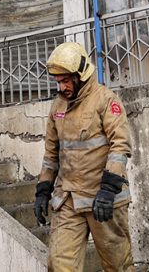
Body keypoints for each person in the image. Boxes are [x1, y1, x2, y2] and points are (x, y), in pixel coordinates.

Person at [33, 42, 133, 271]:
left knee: (118, 265)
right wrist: (42, 191)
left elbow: (121, 145)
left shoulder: (106, 100)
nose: (61, 87)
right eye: (58, 81)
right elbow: (51, 154)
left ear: (81, 76)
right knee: (59, 265)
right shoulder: (57, 107)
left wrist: (109, 189)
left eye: (66, 80)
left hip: (103, 200)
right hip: (67, 200)